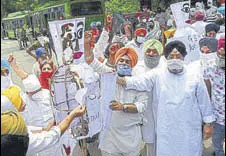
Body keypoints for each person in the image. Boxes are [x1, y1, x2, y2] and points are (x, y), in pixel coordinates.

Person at [117, 40, 216, 156]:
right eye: (171, 56)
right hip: (166, 128)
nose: (174, 59)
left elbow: (204, 101)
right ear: (166, 58)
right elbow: (138, 82)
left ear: (183, 58)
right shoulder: (158, 74)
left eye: (178, 56)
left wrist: (208, 123)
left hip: (189, 129)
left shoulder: (194, 75)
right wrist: (115, 77)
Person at [1, 105, 86, 156]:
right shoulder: (16, 146)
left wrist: (44, 129)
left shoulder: (7, 130)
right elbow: (53, 136)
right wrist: (72, 115)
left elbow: (27, 130)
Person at [203, 38, 225, 156]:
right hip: (218, 117)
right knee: (218, 145)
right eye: (219, 55)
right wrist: (208, 119)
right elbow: (207, 91)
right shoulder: (210, 67)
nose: (222, 58)